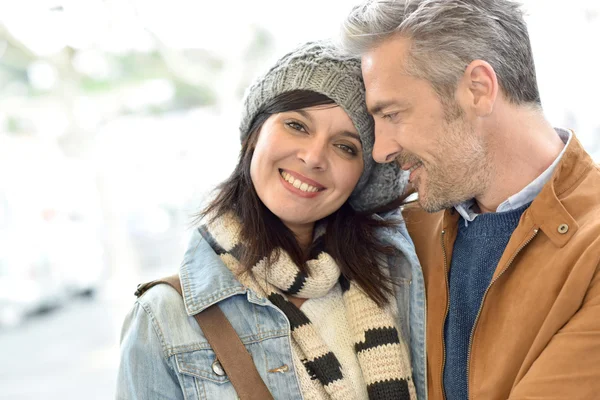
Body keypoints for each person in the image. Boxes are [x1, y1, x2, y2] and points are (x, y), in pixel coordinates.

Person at [116, 41, 421, 400]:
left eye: (345, 147)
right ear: (254, 134)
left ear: (361, 177)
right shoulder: (163, 318)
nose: (313, 157)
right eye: (297, 125)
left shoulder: (400, 278)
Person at [340, 1, 600, 399]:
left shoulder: (592, 249)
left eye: (392, 114)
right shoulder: (406, 233)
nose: (381, 150)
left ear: (477, 88)